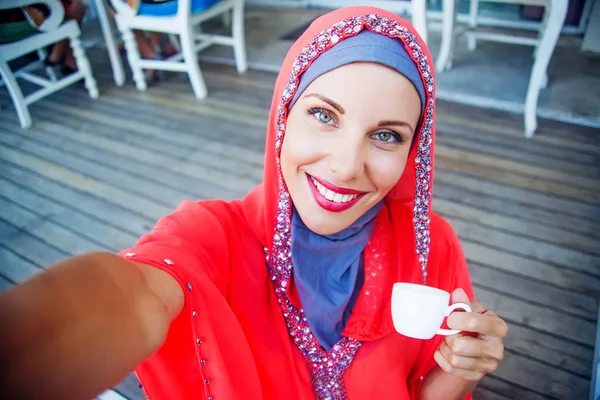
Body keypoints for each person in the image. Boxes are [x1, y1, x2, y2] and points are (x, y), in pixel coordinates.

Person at [0, 6, 508, 400]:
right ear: (283, 118)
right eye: (324, 116)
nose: (348, 165)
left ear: (413, 153)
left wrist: (459, 368)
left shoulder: (430, 249)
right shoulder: (214, 236)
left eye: (387, 136)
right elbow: (137, 294)